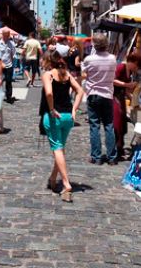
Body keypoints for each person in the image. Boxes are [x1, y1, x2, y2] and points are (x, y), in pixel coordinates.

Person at [39, 50, 85, 203]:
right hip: (67, 117)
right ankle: (53, 178)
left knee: (57, 149)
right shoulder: (66, 74)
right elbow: (80, 91)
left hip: (55, 117)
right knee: (60, 149)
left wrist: (52, 109)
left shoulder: (48, 75)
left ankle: (66, 183)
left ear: (48, 61)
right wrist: (74, 109)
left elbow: (49, 93)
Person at [82, 34, 118, 165]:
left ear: (94, 45)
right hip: (107, 94)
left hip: (93, 94)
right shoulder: (113, 59)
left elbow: (84, 74)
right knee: (109, 125)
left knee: (94, 126)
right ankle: (112, 157)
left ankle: (96, 157)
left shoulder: (88, 59)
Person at [113, 53, 141, 160]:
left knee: (122, 124)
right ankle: (115, 150)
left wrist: (131, 97)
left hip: (121, 97)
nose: (136, 69)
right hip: (114, 96)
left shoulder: (129, 71)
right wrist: (127, 85)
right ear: (134, 62)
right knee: (117, 123)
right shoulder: (120, 67)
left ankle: (119, 148)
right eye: (137, 67)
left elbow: (125, 89)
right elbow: (113, 80)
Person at [2, 30, 16, 103]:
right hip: (0, 65)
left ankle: (8, 97)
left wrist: (12, 63)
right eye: (6, 35)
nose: (7, 36)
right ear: (2, 35)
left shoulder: (11, 44)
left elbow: (13, 54)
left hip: (9, 65)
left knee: (8, 81)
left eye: (8, 35)